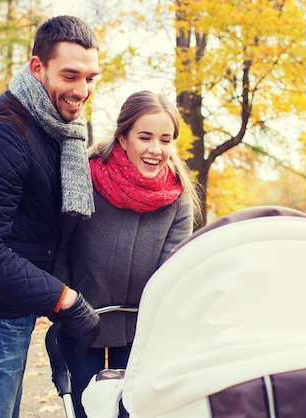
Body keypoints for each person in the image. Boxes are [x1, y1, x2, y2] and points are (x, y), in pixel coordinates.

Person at [0, 15, 102, 418]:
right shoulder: (2, 132)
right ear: (37, 68)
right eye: (70, 76)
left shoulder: (55, 128)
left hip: (12, 303)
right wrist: (62, 299)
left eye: (90, 78)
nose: (82, 90)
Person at [53, 90, 201, 417]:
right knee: (84, 408)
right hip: (82, 316)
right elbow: (60, 247)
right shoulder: (87, 178)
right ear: (123, 138)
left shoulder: (176, 195)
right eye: (145, 137)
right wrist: (65, 301)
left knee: (132, 409)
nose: (155, 149)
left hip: (140, 325)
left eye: (165, 140)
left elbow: (172, 269)